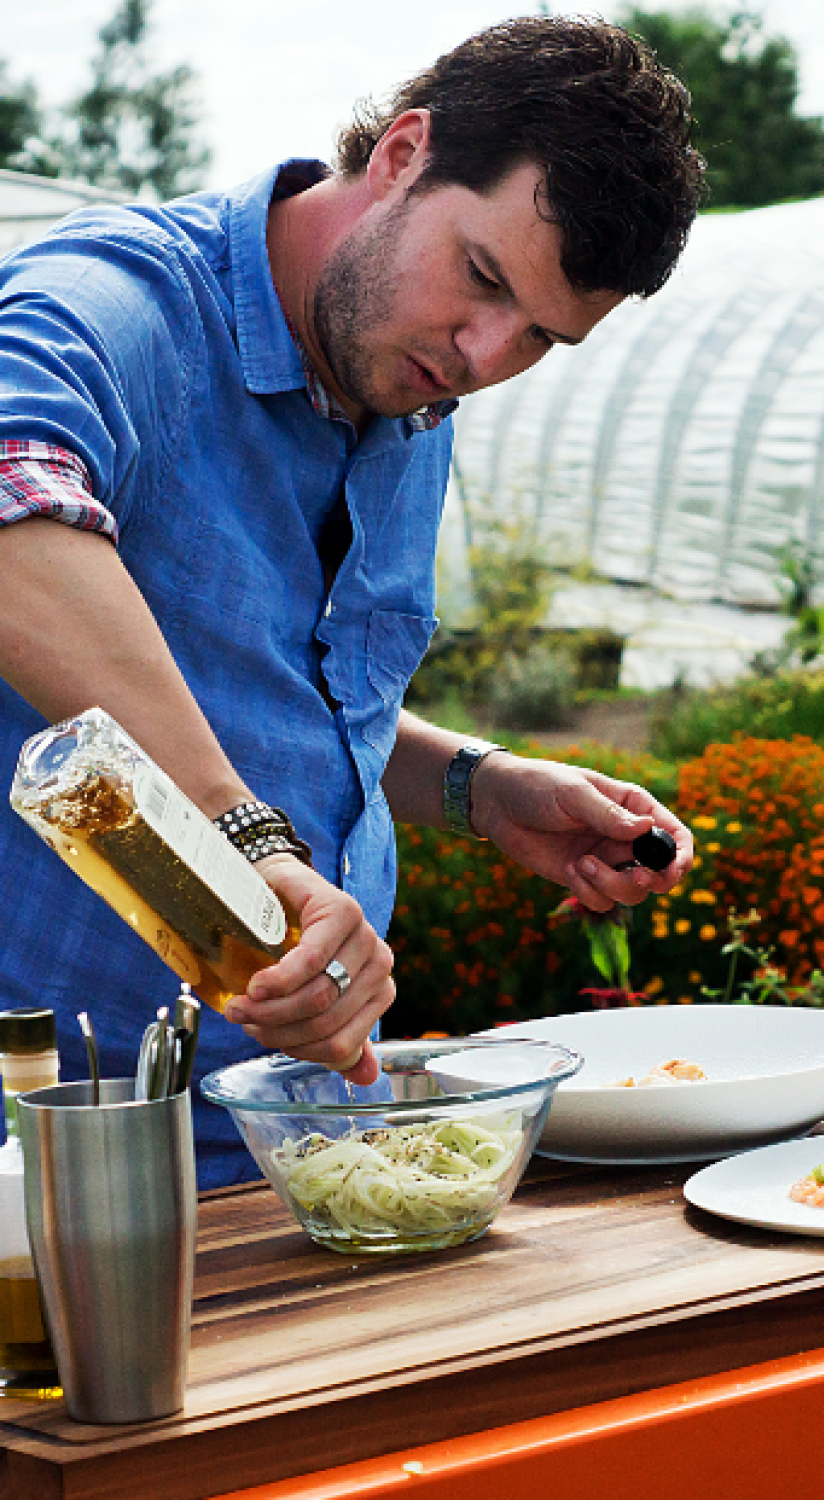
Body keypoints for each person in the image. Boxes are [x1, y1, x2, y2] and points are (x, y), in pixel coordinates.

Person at [0, 17, 704, 1187]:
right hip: (46, 1167)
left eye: (540, 334)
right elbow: (12, 510)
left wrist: (476, 787)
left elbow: (276, 696)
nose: (484, 352)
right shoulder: (115, 302)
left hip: (290, 1143)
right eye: (481, 278)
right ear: (404, 153)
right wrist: (243, 843)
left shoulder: (408, 394)